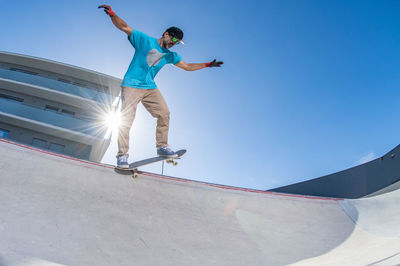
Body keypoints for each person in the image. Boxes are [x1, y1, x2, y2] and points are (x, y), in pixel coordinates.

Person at [98, 5, 224, 168]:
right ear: (166, 34)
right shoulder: (145, 40)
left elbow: (187, 66)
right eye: (173, 40)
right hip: (131, 85)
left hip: (150, 87)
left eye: (177, 43)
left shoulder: (171, 55)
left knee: (164, 113)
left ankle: (162, 147)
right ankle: (122, 156)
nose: (173, 44)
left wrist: (207, 64)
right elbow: (124, 27)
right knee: (127, 120)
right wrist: (113, 14)